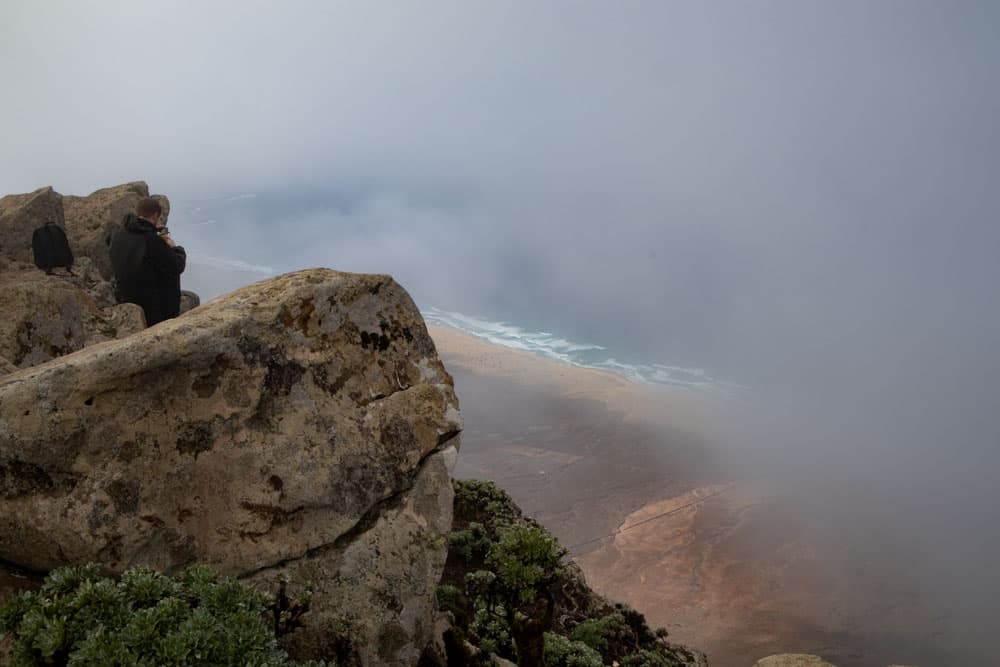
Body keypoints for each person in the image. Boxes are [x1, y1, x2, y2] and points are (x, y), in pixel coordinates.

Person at [109, 197, 186, 326]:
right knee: (170, 272)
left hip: (125, 298)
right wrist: (175, 248)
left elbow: (135, 240)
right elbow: (177, 265)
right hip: (153, 311)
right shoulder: (151, 240)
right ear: (156, 215)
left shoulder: (117, 233)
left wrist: (154, 231)